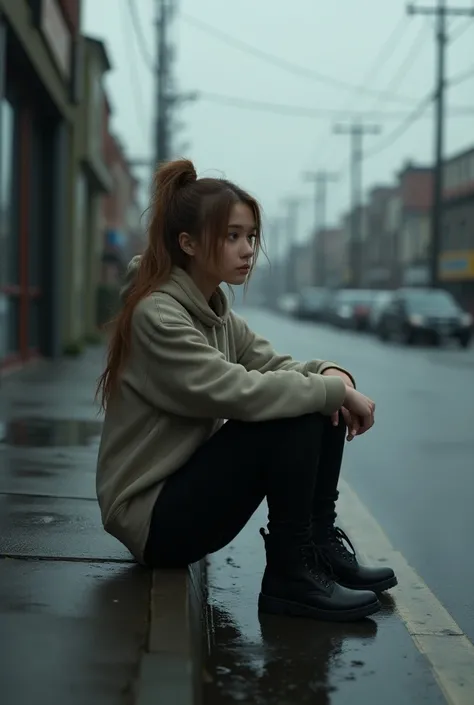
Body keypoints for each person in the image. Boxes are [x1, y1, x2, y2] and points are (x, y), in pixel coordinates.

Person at [96, 158, 397, 623]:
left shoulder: (214, 312)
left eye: (251, 236)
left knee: (313, 397)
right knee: (295, 408)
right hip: (152, 518)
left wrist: (335, 374)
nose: (247, 249)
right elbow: (239, 391)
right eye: (231, 236)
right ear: (188, 243)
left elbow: (275, 364)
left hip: (181, 496)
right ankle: (290, 575)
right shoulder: (158, 315)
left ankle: (316, 548)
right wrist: (330, 392)